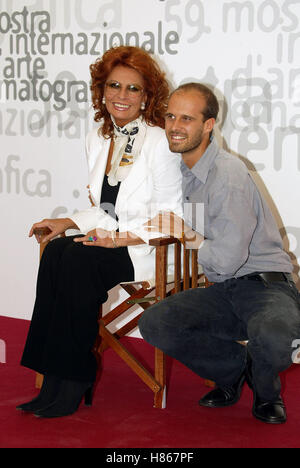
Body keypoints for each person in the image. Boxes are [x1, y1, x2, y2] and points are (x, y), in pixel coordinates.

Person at [17, 46, 182, 418]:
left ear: (147, 95)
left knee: (76, 261)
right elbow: (104, 208)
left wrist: (119, 239)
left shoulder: (160, 142)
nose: (121, 96)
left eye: (133, 88)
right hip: (110, 241)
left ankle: (74, 380)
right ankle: (53, 377)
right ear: (102, 90)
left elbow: (172, 214)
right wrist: (69, 222)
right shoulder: (99, 138)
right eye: (114, 86)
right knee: (59, 249)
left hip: (147, 249)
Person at [139, 82, 300, 424]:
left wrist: (190, 237)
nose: (174, 126)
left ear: (208, 125)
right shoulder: (184, 171)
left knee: (275, 337)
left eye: (187, 118)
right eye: (170, 116)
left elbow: (226, 259)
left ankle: (266, 390)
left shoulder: (226, 173)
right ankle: (234, 370)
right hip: (225, 289)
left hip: (266, 286)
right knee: (156, 322)